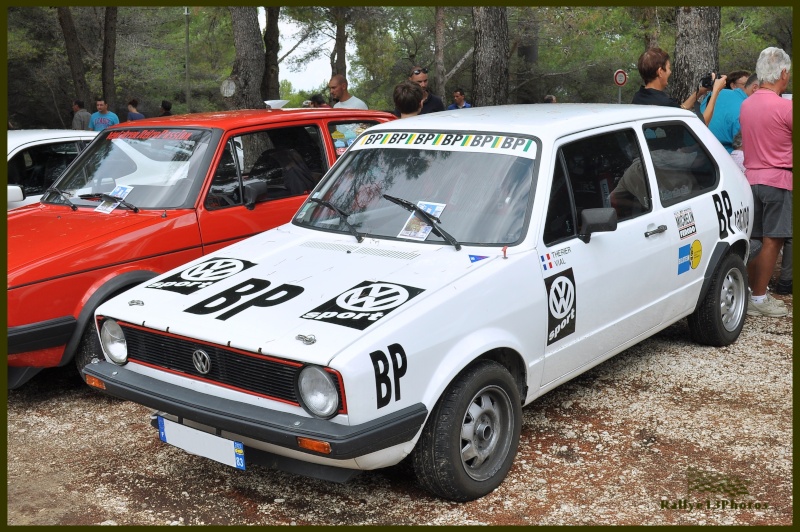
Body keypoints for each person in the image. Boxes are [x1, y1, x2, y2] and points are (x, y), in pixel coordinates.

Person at [739, 47, 792, 317]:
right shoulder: (786, 107)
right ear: (782, 72)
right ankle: (760, 297)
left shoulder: (746, 105)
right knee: (774, 239)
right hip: (779, 179)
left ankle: (749, 294)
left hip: (750, 179)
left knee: (755, 238)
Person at [631, 47, 726, 125]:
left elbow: (680, 109)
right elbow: (702, 124)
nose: (670, 72)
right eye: (668, 68)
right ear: (660, 72)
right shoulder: (665, 104)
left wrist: (699, 92)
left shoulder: (638, 97)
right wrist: (716, 91)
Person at [700, 72, 759, 152]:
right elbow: (745, 147)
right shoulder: (747, 111)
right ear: (755, 88)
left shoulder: (716, 93)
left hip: (698, 149)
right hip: (724, 158)